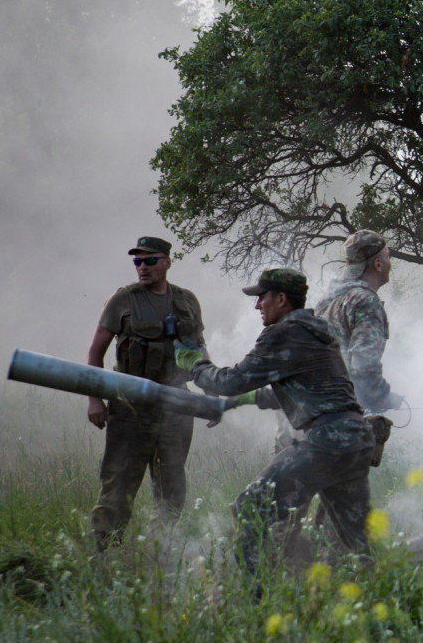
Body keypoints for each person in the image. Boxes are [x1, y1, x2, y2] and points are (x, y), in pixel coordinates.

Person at [178, 268, 379, 578]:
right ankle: (381, 604)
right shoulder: (319, 332)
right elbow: (310, 390)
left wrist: (195, 365)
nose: (257, 305)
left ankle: (256, 599)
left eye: (262, 297)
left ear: (281, 299)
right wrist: (247, 400)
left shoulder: (283, 333)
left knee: (249, 508)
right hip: (355, 440)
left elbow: (229, 381)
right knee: (357, 543)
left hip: (326, 442)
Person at [86, 236, 205, 551]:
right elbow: (96, 353)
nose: (142, 267)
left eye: (150, 260)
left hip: (176, 404)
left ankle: (159, 548)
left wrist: (208, 396)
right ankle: (104, 552)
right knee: (118, 483)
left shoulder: (187, 301)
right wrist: (95, 400)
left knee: (172, 486)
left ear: (166, 261)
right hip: (130, 405)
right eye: (137, 261)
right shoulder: (124, 300)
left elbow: (199, 354)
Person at [315, 229, 397, 414]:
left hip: (315, 412)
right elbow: (364, 365)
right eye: (387, 257)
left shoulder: (327, 300)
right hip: (343, 419)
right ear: (378, 264)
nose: (389, 263)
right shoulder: (365, 301)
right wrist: (384, 397)